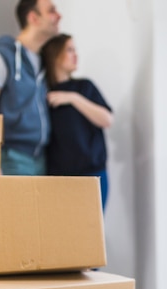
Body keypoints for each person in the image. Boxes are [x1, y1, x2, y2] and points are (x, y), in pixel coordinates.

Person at [40, 34, 113, 210]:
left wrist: (73, 98)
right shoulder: (43, 94)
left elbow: (107, 119)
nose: (75, 55)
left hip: (92, 175)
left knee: (92, 233)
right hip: (58, 180)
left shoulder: (84, 87)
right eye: (70, 50)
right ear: (54, 55)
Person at [0, 0, 61, 175]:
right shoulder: (4, 56)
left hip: (40, 159)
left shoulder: (43, 62)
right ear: (33, 18)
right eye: (51, 11)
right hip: (12, 158)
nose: (59, 16)